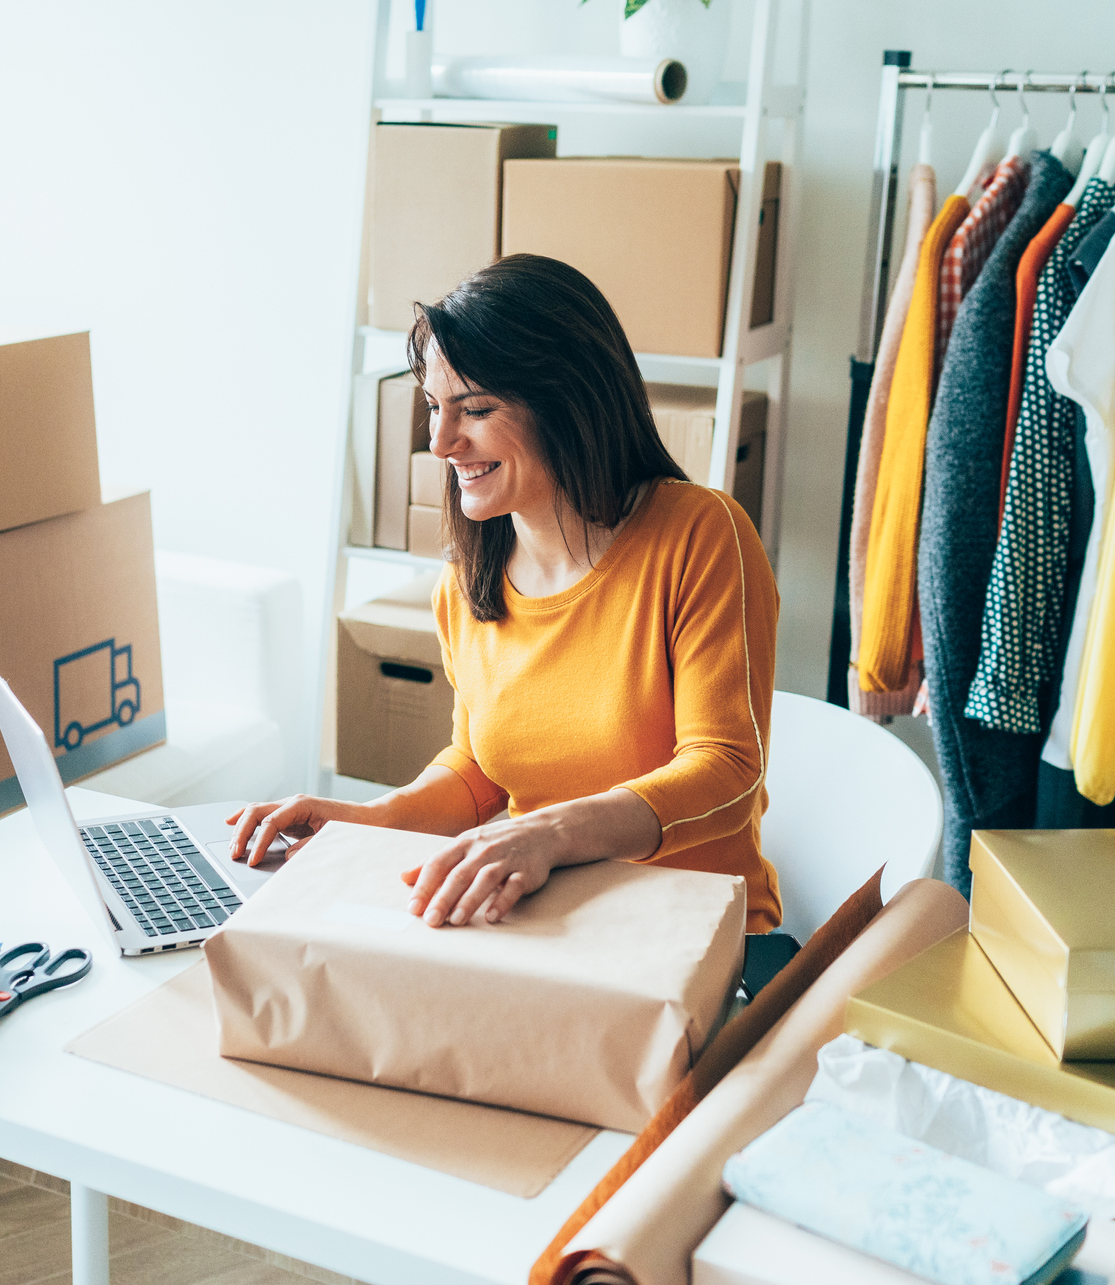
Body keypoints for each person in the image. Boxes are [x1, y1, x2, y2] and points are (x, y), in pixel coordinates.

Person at [228, 254, 781, 932]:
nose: (440, 442)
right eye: (434, 407)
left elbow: (725, 775)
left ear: (569, 401)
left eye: (476, 409)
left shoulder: (699, 535)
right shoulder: (465, 579)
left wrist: (546, 835)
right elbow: (478, 771)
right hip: (544, 922)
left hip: (692, 932)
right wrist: (367, 821)